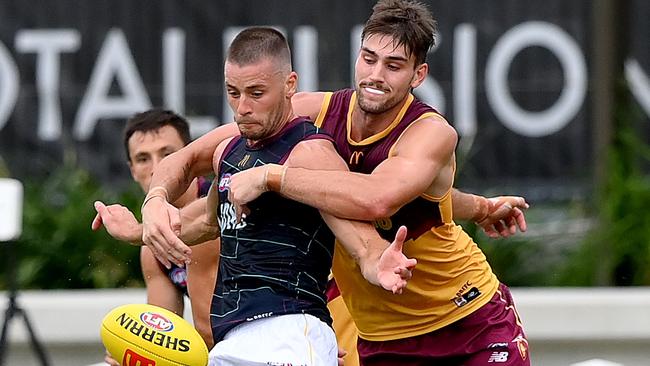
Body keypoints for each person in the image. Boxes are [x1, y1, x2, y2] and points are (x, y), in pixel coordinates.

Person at [140, 4, 530, 366]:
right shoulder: (316, 111)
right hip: (382, 337)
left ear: (418, 75)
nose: (376, 75)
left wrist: (271, 175)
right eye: (369, 58)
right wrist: (155, 200)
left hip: (467, 320)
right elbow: (188, 158)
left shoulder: (430, 132)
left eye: (394, 65)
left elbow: (378, 200)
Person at [139, 27, 416, 366]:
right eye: (233, 92)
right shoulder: (230, 151)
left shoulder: (310, 151)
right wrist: (140, 223)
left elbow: (360, 240)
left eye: (256, 93)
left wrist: (378, 261)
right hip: (232, 339)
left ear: (289, 85)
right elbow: (208, 221)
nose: (242, 108)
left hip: (289, 332)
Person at [90, 109, 219, 364]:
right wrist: (134, 351)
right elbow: (161, 333)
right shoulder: (150, 248)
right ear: (132, 170)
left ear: (190, 158)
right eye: (142, 158)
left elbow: (213, 339)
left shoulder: (216, 206)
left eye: (168, 154)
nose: (157, 167)